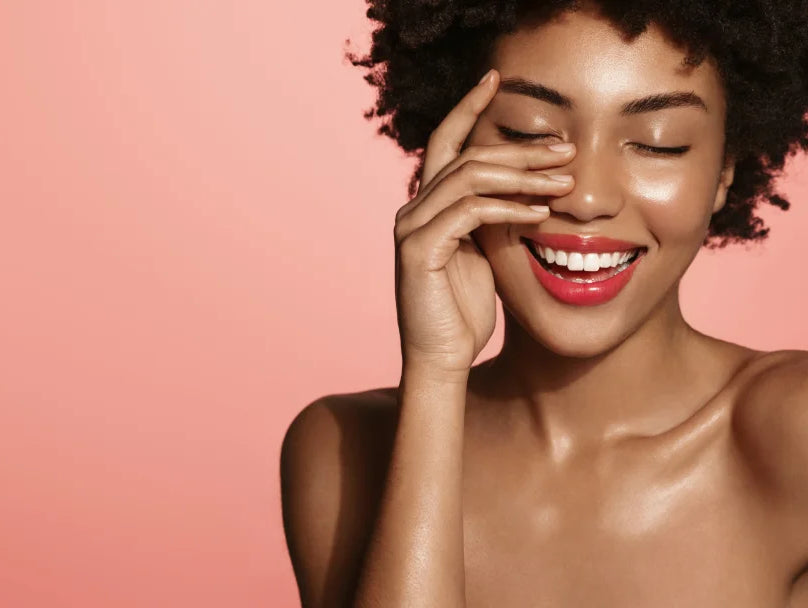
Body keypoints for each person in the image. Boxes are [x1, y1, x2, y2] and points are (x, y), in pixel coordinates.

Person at [281, 1, 808, 606]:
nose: (585, 198)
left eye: (659, 145)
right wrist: (435, 372)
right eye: (528, 133)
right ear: (452, 156)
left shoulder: (790, 434)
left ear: (723, 174)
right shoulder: (345, 452)